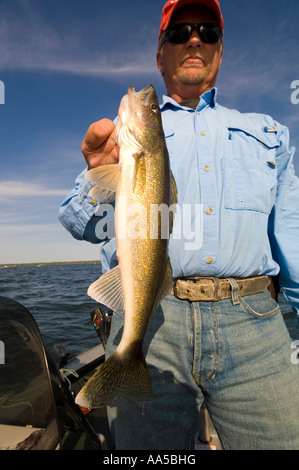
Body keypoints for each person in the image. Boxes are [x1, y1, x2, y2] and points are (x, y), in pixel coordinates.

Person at [58, 0, 299, 450]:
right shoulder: (121, 144)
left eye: (208, 33)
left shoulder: (268, 131)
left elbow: (292, 233)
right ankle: (125, 362)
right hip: (152, 326)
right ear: (160, 53)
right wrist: (97, 174)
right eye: (180, 31)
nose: (194, 39)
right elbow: (79, 223)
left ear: (220, 52)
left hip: (256, 324)